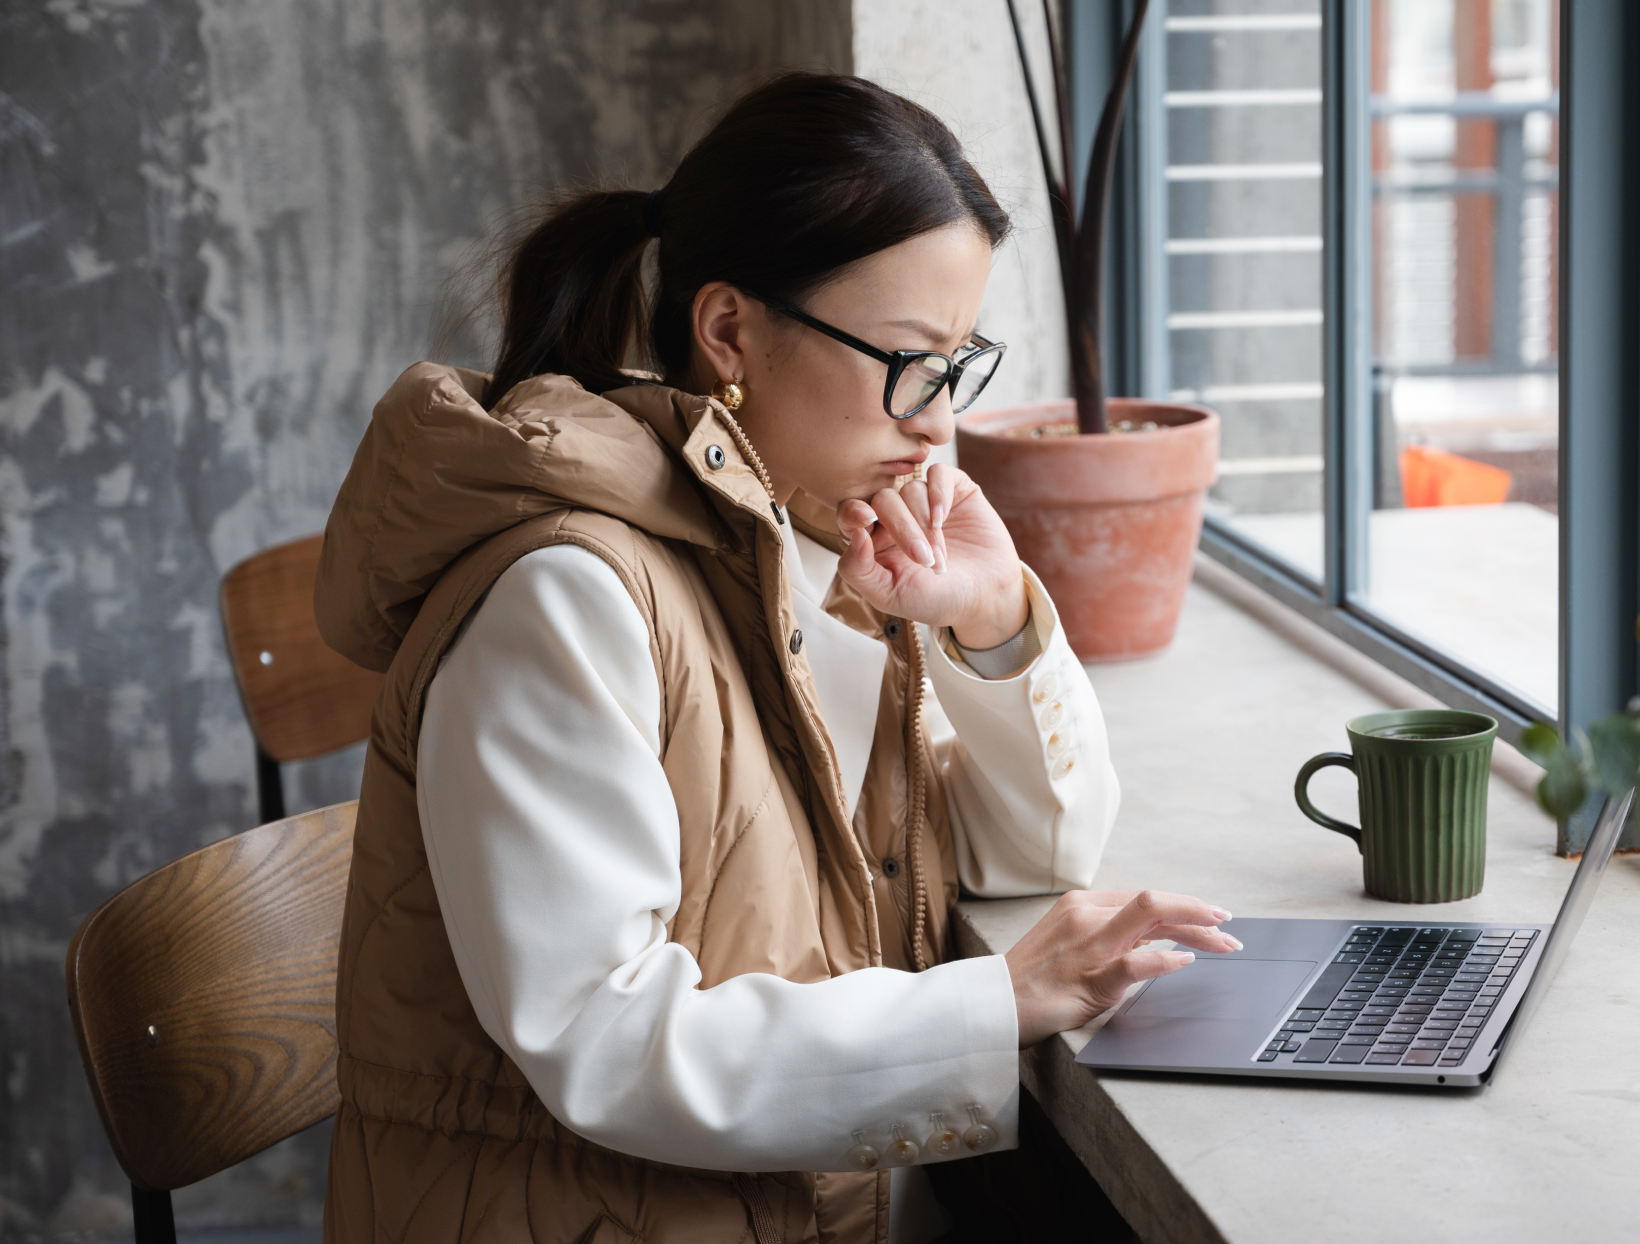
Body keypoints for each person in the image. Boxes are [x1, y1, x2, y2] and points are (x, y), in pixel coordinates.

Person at [314, 72, 1237, 1244]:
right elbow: (603, 1040)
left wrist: (991, 617)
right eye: (907, 360)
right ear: (728, 330)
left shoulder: (809, 538)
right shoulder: (562, 599)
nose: (939, 421)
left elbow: (1029, 852)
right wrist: (991, 1000)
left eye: (956, 364)